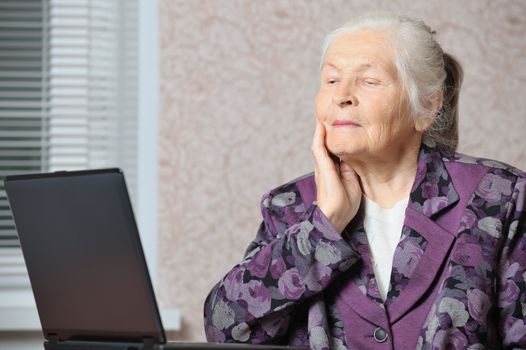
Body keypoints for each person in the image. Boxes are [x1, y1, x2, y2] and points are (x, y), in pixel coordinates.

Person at [203, 11, 526, 349]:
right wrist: (322, 226)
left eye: (368, 81)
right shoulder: (290, 206)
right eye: (331, 80)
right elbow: (224, 328)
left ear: (427, 106)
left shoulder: (502, 197)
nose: (342, 95)